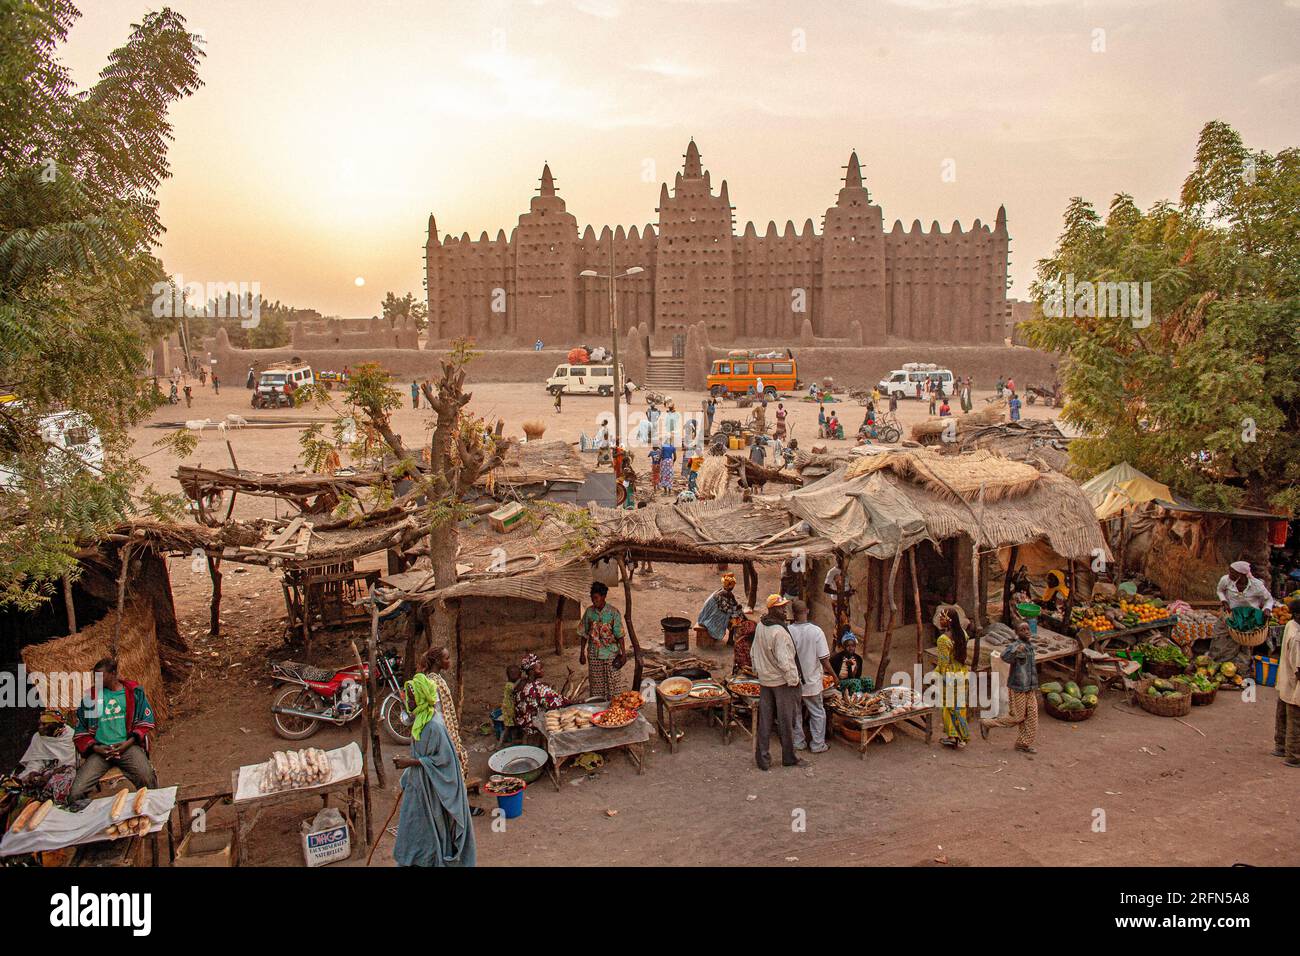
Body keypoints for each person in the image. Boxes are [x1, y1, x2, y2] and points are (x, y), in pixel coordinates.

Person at [391, 672, 477, 866]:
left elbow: (445, 762)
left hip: (433, 790)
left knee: (428, 831)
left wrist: (410, 763)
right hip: (419, 786)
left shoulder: (434, 726)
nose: (409, 702)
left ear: (422, 697)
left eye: (412, 698)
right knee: (413, 829)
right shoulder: (420, 721)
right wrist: (408, 775)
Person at [70, 658, 157, 805]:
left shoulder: (133, 693)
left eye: (100, 676)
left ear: (113, 674)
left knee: (147, 778)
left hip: (127, 747)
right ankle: (89, 822)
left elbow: (145, 722)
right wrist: (96, 748)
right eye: (95, 676)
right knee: (76, 792)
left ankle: (150, 813)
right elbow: (81, 730)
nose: (96, 680)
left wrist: (127, 744)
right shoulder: (91, 697)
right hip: (101, 751)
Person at [752, 595, 806, 770]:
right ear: (773, 610)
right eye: (781, 608)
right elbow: (786, 662)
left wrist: (758, 671)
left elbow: (754, 652)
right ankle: (788, 757)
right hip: (781, 683)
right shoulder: (780, 632)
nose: (784, 610)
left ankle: (762, 759)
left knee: (765, 721)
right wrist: (794, 681)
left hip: (765, 681)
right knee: (786, 721)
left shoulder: (761, 626)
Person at [980, 621, 1039, 754]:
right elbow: (1004, 656)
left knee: (1032, 717)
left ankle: (1022, 744)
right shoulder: (1015, 646)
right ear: (1017, 633)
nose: (1026, 631)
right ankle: (987, 723)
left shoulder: (1029, 646)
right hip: (1018, 688)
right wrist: (1016, 651)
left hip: (1030, 688)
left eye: (1027, 629)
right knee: (1017, 718)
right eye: (1022, 630)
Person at [1209, 560, 1275, 665]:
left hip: (1248, 618)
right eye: (1230, 572)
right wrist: (1224, 601)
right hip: (1230, 615)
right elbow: (1220, 590)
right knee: (1220, 639)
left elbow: (1269, 599)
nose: (1229, 574)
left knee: (1244, 643)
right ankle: (1217, 662)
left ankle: (1240, 667)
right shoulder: (1226, 580)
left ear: (1241, 575)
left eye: (1233, 573)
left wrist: (1267, 609)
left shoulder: (1257, 585)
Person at [789, 600, 833, 753]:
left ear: (792, 613)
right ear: (807, 611)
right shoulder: (816, 632)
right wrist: (834, 676)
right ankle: (817, 744)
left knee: (796, 713)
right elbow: (824, 659)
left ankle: (799, 742)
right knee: (817, 713)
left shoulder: (788, 631)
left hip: (794, 681)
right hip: (812, 682)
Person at [578, 582, 627, 700]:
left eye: (596, 598)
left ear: (604, 596)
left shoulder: (613, 613)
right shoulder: (589, 613)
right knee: (596, 686)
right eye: (592, 598)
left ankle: (614, 712)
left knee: (614, 686)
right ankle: (598, 709)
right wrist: (582, 653)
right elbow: (584, 634)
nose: (594, 601)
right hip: (594, 655)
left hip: (611, 654)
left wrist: (624, 654)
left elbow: (620, 635)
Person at [934, 605, 971, 748]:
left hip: (950, 676)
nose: (939, 620)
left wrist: (937, 675)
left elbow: (943, 663)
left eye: (941, 618)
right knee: (960, 707)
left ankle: (952, 736)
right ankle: (962, 736)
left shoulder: (943, 640)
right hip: (962, 674)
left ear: (948, 621)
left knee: (948, 707)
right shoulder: (963, 633)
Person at [1273, 597, 1300, 767]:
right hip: (1294, 683)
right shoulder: (1298, 637)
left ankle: (1280, 746)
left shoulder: (1290, 625)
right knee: (1296, 720)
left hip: (1284, 679)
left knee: (1282, 715)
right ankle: (1294, 756)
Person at [513, 654, 567, 732]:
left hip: (521, 723)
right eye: (540, 669)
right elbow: (557, 702)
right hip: (533, 726)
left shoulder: (521, 683)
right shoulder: (537, 688)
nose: (542, 671)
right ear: (531, 671)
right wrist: (574, 702)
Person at [697, 571, 744, 644]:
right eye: (732, 586)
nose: (733, 587)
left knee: (737, 613)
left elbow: (733, 603)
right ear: (730, 586)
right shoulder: (723, 594)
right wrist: (738, 610)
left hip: (710, 614)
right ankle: (730, 639)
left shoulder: (724, 591)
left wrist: (737, 607)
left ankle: (732, 638)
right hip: (708, 618)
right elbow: (728, 610)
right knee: (734, 618)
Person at [498, 664, 522, 744]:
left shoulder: (512, 683)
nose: (517, 676)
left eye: (518, 674)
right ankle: (501, 742)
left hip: (511, 708)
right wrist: (520, 680)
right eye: (514, 675)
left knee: (514, 725)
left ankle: (513, 740)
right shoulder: (509, 685)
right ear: (508, 676)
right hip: (508, 710)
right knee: (507, 727)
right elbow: (514, 688)